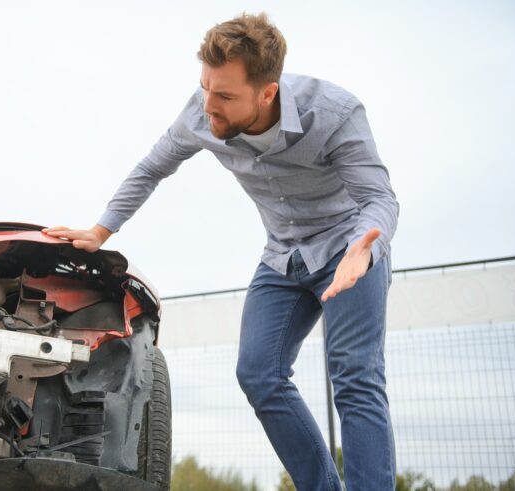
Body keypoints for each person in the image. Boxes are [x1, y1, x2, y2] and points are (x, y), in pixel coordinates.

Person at [44, 12, 398, 491]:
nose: (209, 107)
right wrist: (102, 230)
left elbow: (379, 198)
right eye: (205, 87)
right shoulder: (201, 111)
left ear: (267, 93)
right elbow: (152, 167)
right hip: (283, 255)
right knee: (258, 374)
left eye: (226, 96)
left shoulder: (333, 114)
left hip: (349, 247)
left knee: (355, 377)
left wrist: (365, 249)